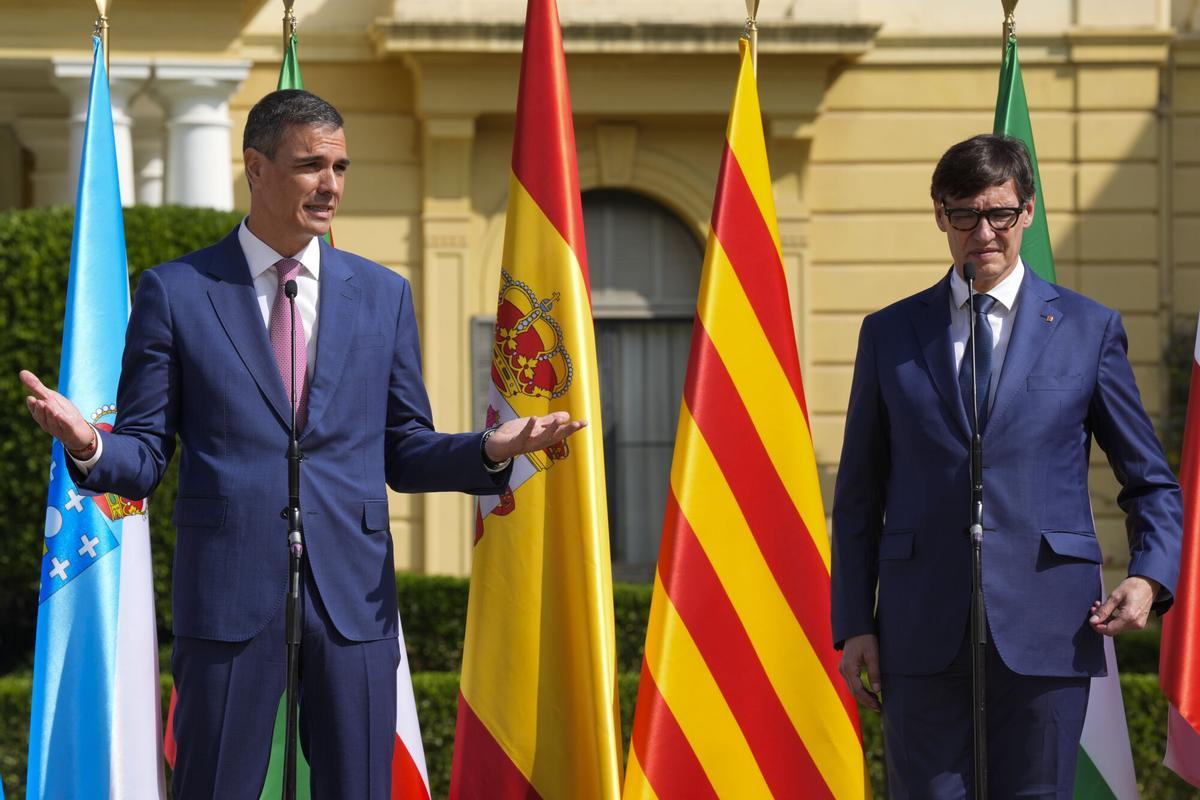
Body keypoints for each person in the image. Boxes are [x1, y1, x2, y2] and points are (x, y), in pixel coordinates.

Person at [21, 89, 581, 798]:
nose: (331, 185)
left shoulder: (382, 296)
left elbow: (404, 451)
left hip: (353, 602)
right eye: (311, 164)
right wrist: (90, 448)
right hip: (226, 602)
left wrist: (491, 450)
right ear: (256, 167)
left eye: (341, 167)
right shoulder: (178, 292)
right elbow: (144, 457)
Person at [830, 134, 1182, 798]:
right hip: (920, 631)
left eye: (999, 214)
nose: (982, 233)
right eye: (964, 214)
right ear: (940, 215)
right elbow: (858, 494)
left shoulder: (1088, 328)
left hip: (1049, 629)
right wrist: (855, 623)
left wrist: (1149, 577)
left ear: (1027, 212)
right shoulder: (888, 333)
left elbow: (1149, 481)